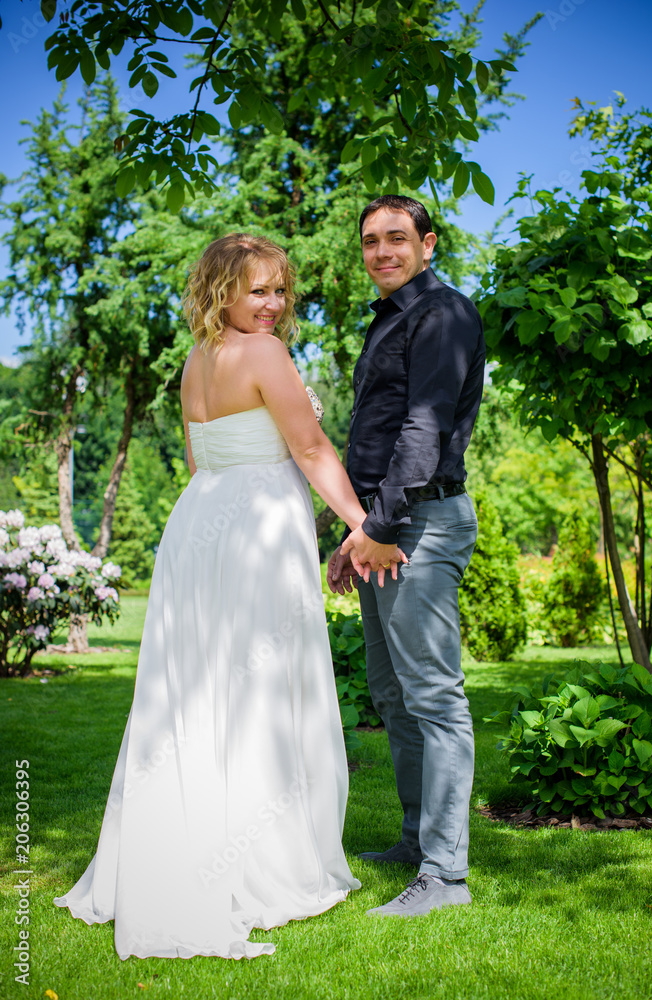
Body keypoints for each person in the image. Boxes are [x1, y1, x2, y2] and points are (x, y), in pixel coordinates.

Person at [54, 233, 405, 960]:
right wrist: (362, 526)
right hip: (257, 529)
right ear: (222, 291)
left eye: (280, 290)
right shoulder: (266, 354)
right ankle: (258, 861)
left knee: (197, 685)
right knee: (259, 684)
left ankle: (192, 841)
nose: (273, 305)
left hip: (199, 525)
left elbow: (197, 457)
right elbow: (311, 449)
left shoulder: (196, 359)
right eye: (257, 290)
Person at [327, 195, 485, 917]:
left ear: (428, 243)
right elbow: (374, 435)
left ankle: (445, 877)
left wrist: (384, 525)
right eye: (370, 241)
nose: (382, 252)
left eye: (396, 238)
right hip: (385, 526)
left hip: (419, 524)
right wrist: (354, 533)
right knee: (392, 694)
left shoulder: (442, 314)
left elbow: (424, 428)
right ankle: (418, 838)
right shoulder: (389, 318)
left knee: (433, 697)